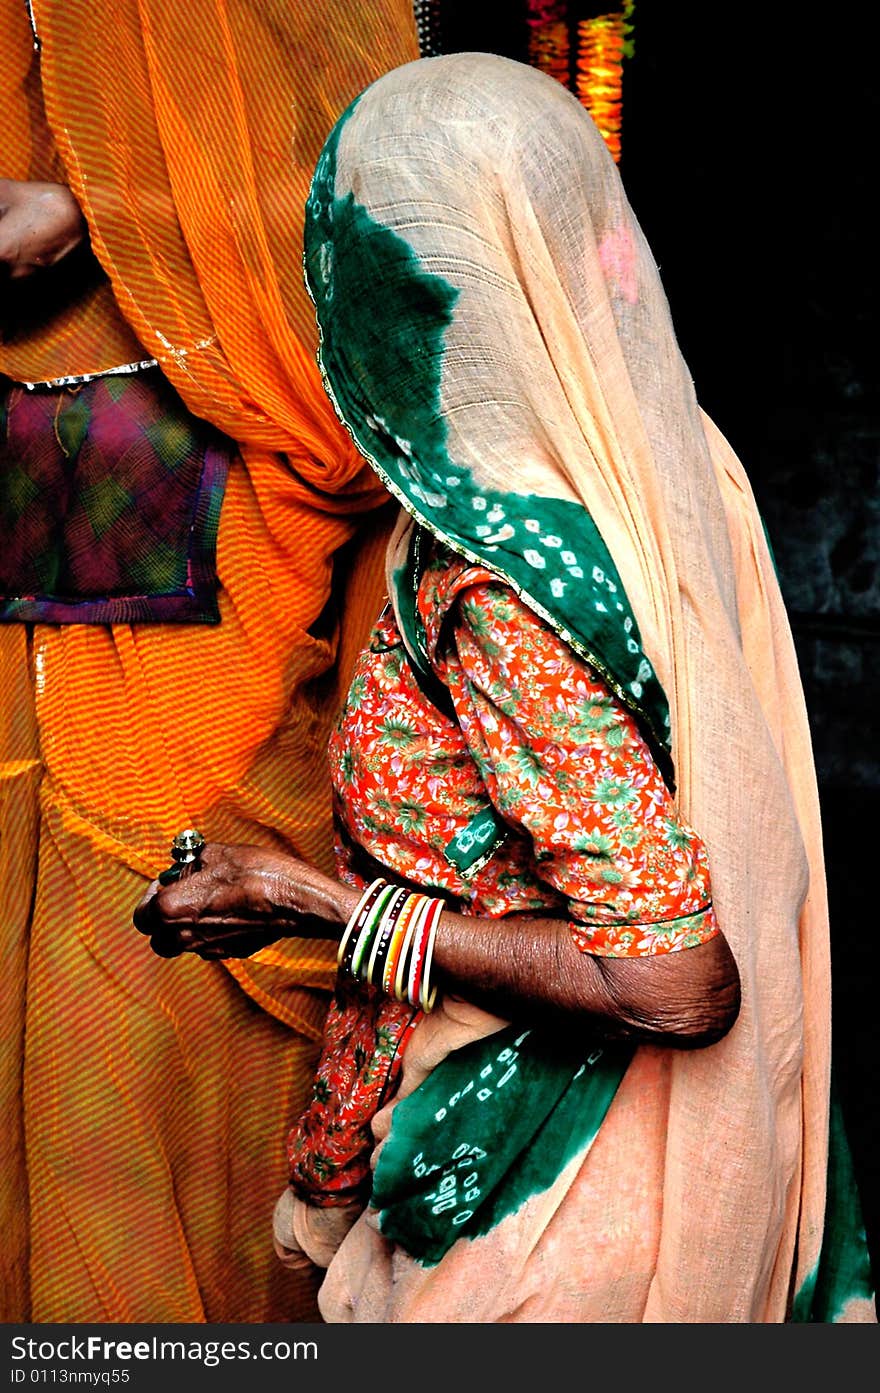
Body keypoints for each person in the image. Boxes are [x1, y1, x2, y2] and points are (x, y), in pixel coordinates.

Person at [134, 52, 877, 1322]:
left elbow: (678, 982)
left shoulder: (495, 592)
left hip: (552, 1209)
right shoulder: (660, 451)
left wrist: (310, 899)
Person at [0, 0, 421, 1323]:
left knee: (133, 1054)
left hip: (196, 609)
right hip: (35, 616)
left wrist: (99, 206)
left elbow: (365, 236)